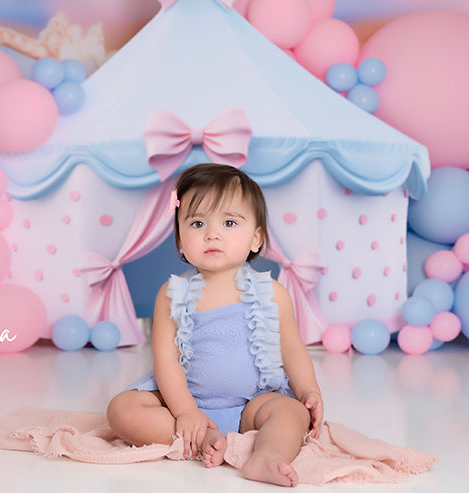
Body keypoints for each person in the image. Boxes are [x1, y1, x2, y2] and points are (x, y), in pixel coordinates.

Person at [106, 163, 323, 487]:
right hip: (185, 400)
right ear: (180, 241)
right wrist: (186, 411)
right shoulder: (171, 294)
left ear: (255, 238)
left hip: (252, 404)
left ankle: (267, 455)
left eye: (229, 222)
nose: (212, 233)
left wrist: (309, 391)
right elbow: (165, 361)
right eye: (197, 223)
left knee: (292, 413)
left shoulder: (272, 294)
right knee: (121, 410)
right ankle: (201, 437)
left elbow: (292, 350)